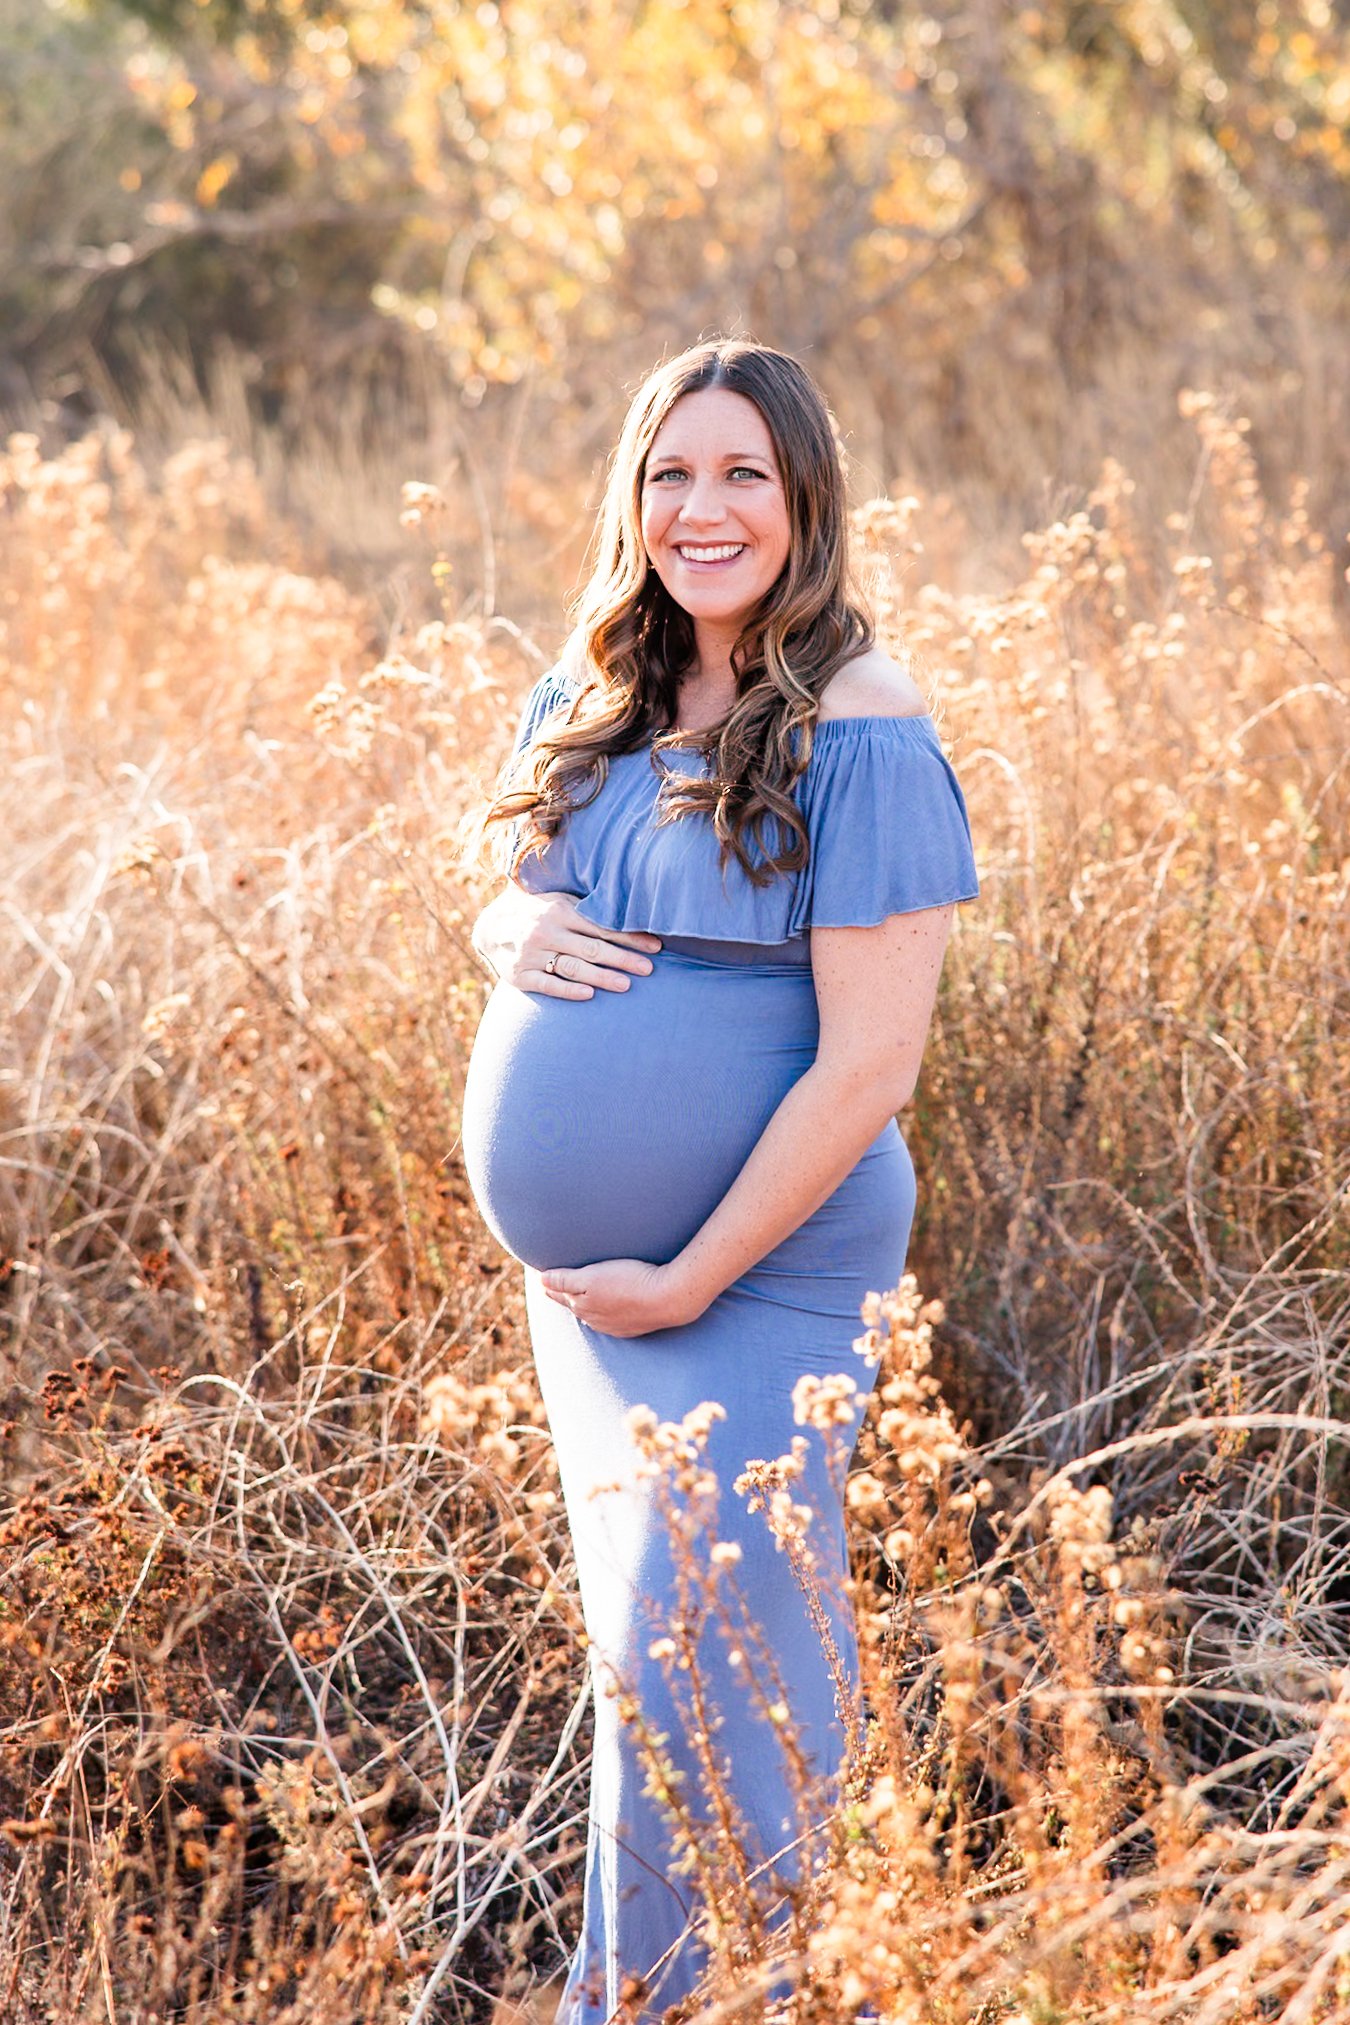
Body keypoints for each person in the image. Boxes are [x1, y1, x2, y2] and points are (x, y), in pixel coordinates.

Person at [459, 338, 979, 2022]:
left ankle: (746, 1994)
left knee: (725, 1672)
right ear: (633, 499)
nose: (704, 508)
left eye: (743, 474)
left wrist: (686, 1276)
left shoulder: (862, 720)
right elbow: (504, 895)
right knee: (649, 1674)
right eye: (671, 474)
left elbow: (867, 1069)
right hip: (599, 1311)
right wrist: (506, 923)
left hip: (750, 1279)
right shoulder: (595, 687)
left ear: (805, 498)